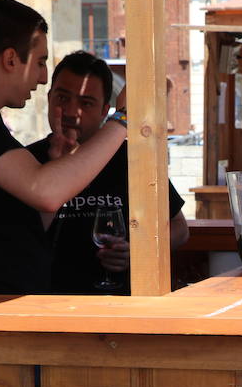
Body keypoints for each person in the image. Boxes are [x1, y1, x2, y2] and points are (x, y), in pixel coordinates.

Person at [0, 0, 127, 294]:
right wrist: (123, 119)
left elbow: (23, 222)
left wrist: (57, 163)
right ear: (10, 60)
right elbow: (46, 192)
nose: (43, 78)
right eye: (40, 62)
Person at [26, 51, 188, 295]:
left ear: (104, 111)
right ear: (48, 99)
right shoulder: (24, 160)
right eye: (62, 98)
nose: (72, 111)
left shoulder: (132, 160)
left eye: (86, 103)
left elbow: (179, 228)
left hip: (121, 306)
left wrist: (137, 249)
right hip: (42, 303)